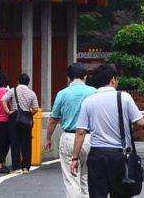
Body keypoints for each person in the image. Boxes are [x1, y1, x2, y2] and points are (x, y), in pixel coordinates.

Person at [73, 64, 144, 198]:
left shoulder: (88, 101)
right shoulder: (124, 98)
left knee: (97, 195)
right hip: (119, 157)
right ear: (113, 80)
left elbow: (80, 132)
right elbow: (141, 122)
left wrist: (74, 158)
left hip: (97, 156)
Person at [49, 63, 95, 198]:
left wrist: (48, 138)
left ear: (68, 78)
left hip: (69, 137)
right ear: (85, 76)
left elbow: (53, 119)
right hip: (90, 138)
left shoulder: (62, 94)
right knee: (87, 179)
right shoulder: (93, 92)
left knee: (71, 179)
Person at [5, 72, 39, 171]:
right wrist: (29, 114)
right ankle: (26, 167)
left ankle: (16, 167)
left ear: (18, 81)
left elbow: (3, 100)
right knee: (26, 142)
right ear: (28, 82)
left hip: (14, 116)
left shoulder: (13, 90)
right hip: (27, 117)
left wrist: (8, 111)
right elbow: (36, 108)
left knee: (15, 142)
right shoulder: (32, 93)